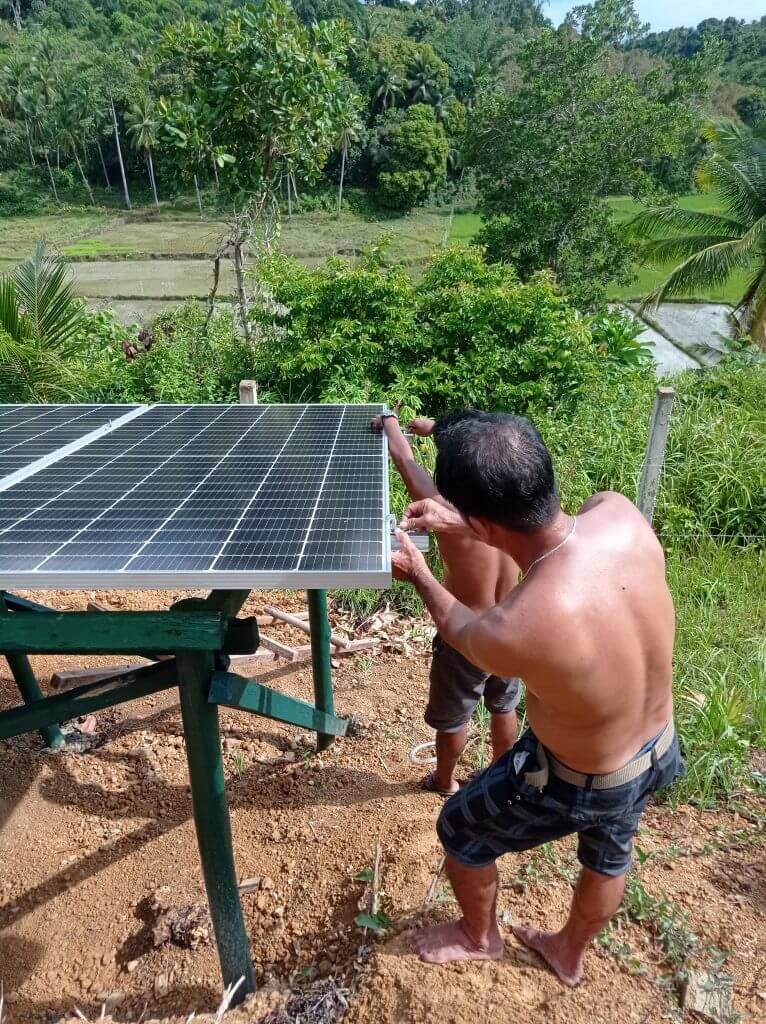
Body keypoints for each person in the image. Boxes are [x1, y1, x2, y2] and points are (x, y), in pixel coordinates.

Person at [390, 411, 683, 987]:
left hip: (579, 777)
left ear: (481, 522)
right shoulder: (620, 514)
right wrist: (472, 522)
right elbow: (543, 535)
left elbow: (461, 630)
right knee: (608, 855)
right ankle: (569, 951)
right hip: (658, 746)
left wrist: (423, 574)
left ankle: (479, 936)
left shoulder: (519, 625)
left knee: (460, 829)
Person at [372, 410, 522, 796]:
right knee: (503, 707)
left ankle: (444, 780)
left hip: (467, 634)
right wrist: (436, 428)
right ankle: (501, 775)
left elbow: (404, 459)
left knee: (454, 717)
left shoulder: (443, 508)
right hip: (515, 625)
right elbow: (488, 437)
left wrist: (388, 419)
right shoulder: (516, 510)